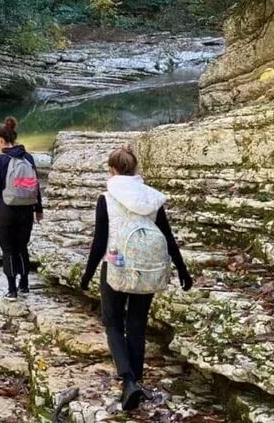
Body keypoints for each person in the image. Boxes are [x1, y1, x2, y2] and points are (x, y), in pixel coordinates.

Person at [80, 144, 193, 411]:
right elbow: (167, 237)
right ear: (135, 169)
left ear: (112, 170)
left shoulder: (106, 198)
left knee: (113, 322)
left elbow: (99, 243)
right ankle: (136, 381)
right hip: (146, 264)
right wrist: (182, 269)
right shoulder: (151, 198)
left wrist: (87, 275)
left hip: (116, 260)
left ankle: (128, 381)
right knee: (137, 322)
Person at [0, 116, 44, 301]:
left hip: (6, 211)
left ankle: (12, 290)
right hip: (26, 210)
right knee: (22, 247)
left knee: (8, 249)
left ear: (1, 140)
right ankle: (24, 284)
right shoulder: (28, 157)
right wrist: (38, 209)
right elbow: (35, 185)